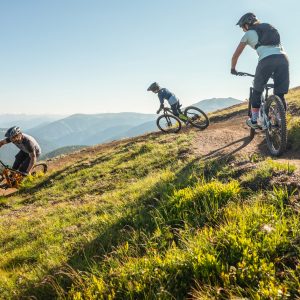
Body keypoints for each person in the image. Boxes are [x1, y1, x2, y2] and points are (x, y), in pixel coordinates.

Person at [231, 12, 289, 129]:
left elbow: (236, 55)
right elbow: (275, 49)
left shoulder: (248, 33)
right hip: (283, 59)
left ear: (247, 24)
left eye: (242, 27)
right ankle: (280, 119)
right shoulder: (270, 27)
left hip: (266, 61)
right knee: (280, 93)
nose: (243, 29)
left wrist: (233, 68)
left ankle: (254, 120)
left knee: (257, 90)